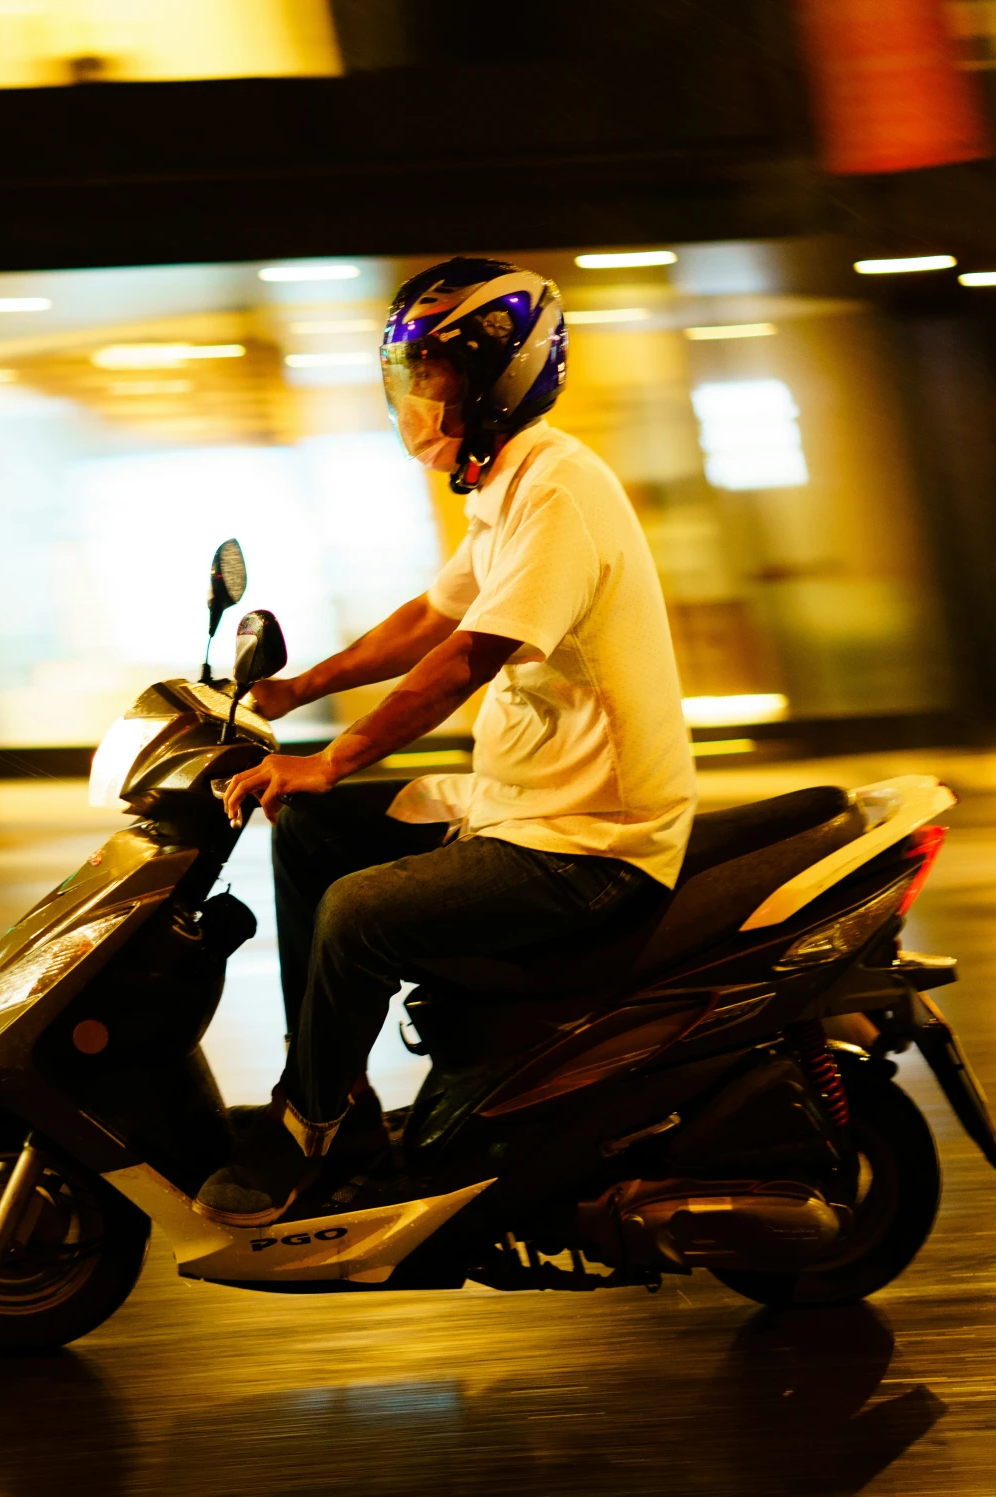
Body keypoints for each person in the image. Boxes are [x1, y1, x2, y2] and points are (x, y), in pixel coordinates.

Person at [193, 256, 697, 1226]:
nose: (413, 398)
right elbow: (429, 616)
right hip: (517, 810)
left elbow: (464, 658)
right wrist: (295, 689)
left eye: (430, 374)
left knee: (358, 911)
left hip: (589, 842)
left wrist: (335, 754)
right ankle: (343, 1105)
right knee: (308, 832)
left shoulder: (559, 490)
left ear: (496, 375)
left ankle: (310, 1129)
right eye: (407, 376)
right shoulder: (505, 485)